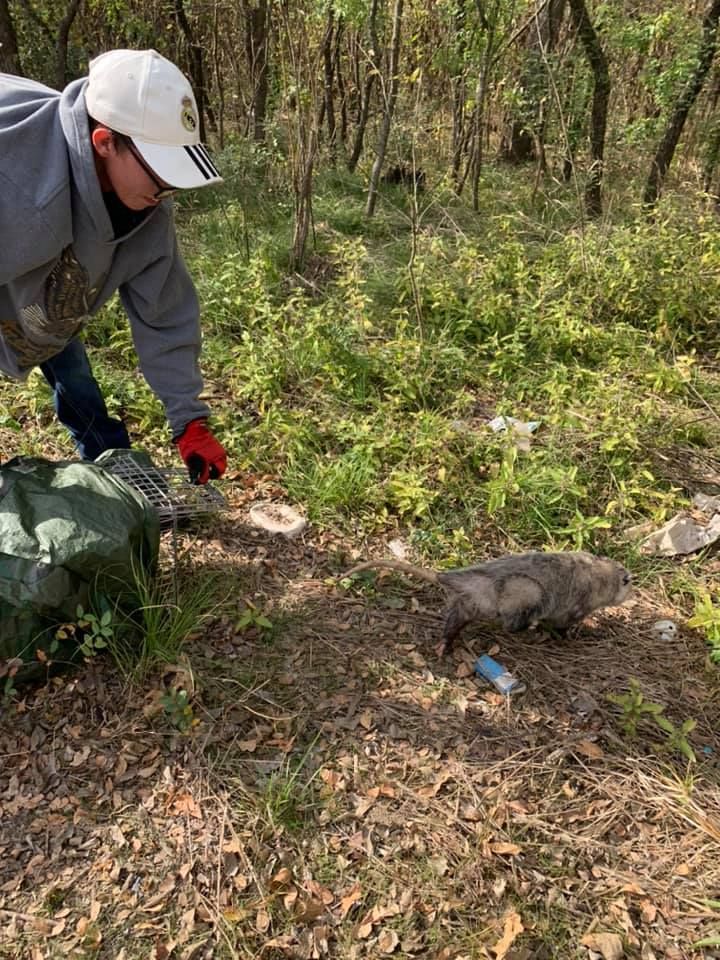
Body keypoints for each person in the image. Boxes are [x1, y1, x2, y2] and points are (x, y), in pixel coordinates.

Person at [0, 48, 227, 484]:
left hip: (49, 305)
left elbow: (164, 315)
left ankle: (110, 462)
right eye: (160, 174)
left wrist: (189, 420)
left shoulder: (148, 211)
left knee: (68, 365)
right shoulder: (18, 185)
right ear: (104, 142)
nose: (168, 192)